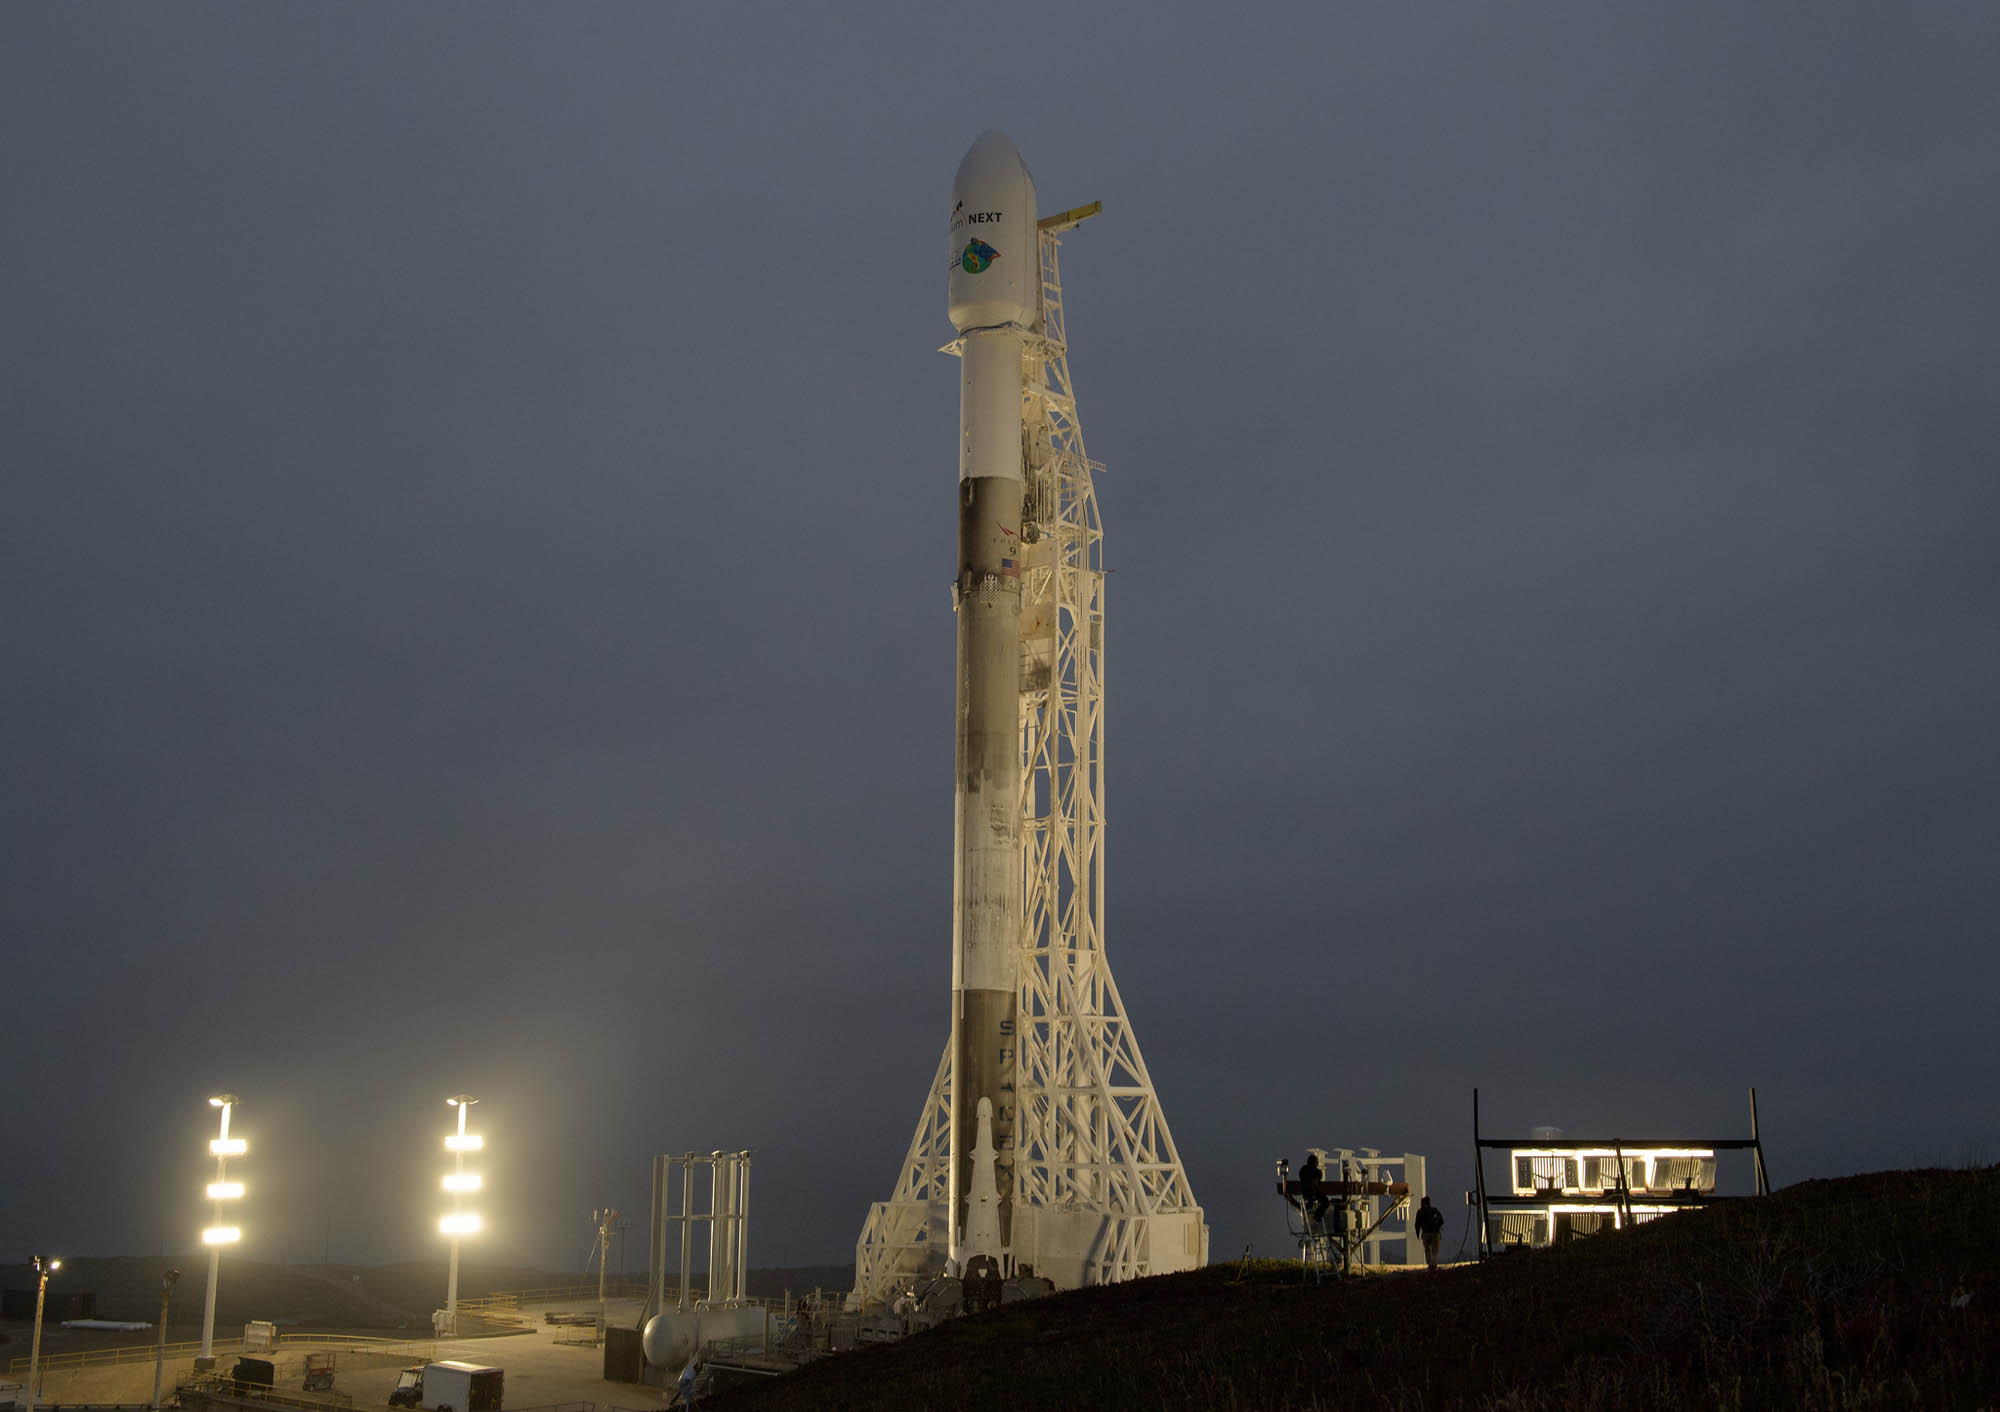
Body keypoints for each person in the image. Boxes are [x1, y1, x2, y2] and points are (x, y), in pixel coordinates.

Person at [1413, 1194, 1446, 1268]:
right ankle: (1434, 1264)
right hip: (1435, 1233)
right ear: (1429, 1202)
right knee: (1435, 1249)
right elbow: (1442, 1221)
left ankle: (1429, 1264)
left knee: (1427, 1249)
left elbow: (1417, 1224)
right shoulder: (1435, 1210)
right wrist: (1437, 1227)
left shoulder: (1420, 1212)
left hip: (1425, 1233)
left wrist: (1418, 1234)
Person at [1298, 1152, 1330, 1226]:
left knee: (1310, 1204)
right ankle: (1317, 1217)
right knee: (1326, 1202)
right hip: (1313, 1192)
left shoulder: (1303, 1170)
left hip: (1305, 1193)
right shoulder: (1317, 1172)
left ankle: (1305, 1208)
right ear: (1315, 1163)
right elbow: (1315, 1184)